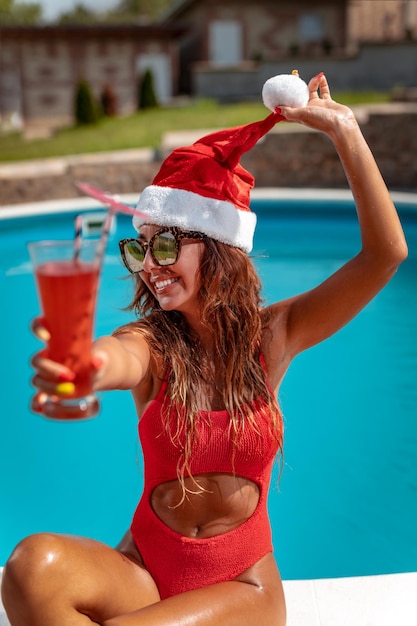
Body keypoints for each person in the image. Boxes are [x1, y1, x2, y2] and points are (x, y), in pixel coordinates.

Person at [1, 73, 408, 626]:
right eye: (140, 249)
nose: (150, 265)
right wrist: (82, 366)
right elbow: (117, 357)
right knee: (31, 566)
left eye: (167, 244)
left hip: (242, 586)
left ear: (217, 250)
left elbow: (385, 254)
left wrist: (344, 130)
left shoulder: (275, 336)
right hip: (144, 571)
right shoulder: (153, 342)